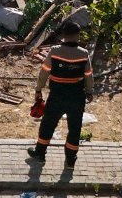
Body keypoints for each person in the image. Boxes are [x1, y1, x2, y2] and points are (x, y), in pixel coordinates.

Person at [27, 21, 93, 166]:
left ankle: (40, 154)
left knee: (48, 125)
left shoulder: (54, 51)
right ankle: (70, 160)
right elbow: (88, 75)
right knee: (74, 129)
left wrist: (38, 90)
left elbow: (44, 71)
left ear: (63, 36)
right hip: (76, 97)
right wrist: (89, 92)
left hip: (57, 96)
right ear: (77, 36)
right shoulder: (84, 54)